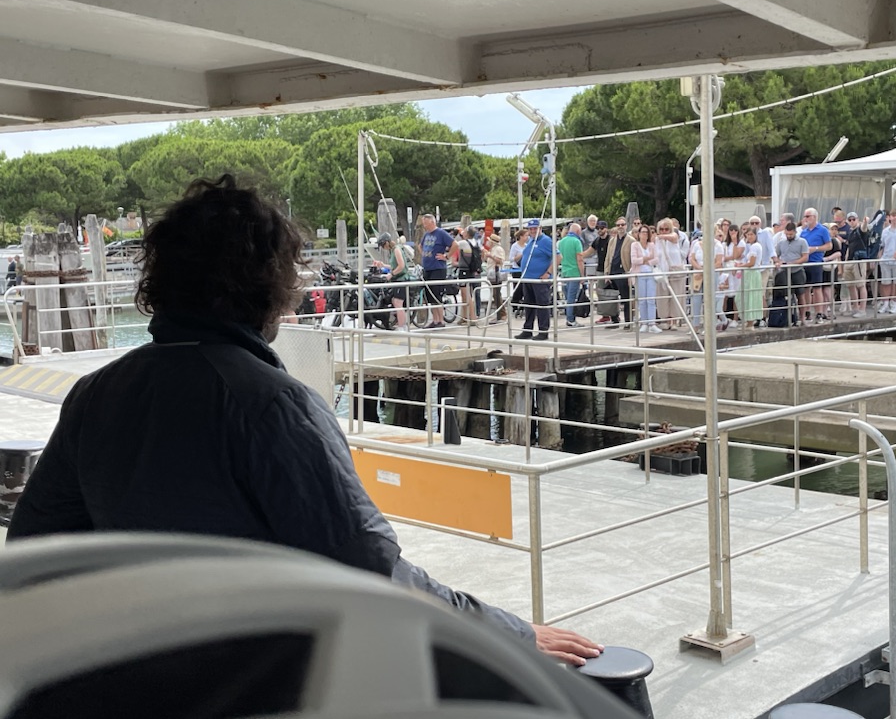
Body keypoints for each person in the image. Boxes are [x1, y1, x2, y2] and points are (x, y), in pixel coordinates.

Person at [7, 176, 602, 667]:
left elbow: (37, 550)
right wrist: (507, 632)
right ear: (270, 284)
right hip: (254, 683)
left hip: (137, 673)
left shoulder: (95, 394)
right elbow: (369, 568)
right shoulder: (274, 406)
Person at [515, 219, 554, 342]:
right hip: (528, 279)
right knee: (528, 305)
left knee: (542, 305)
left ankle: (543, 331)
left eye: (535, 228)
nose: (533, 231)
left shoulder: (546, 241)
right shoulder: (531, 240)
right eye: (531, 229)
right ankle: (528, 329)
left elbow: (558, 256)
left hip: (539, 280)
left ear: (540, 229)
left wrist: (548, 273)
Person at [418, 214, 457, 329]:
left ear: (432, 222)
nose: (425, 226)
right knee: (429, 295)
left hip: (438, 268)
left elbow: (455, 244)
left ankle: (440, 320)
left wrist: (447, 256)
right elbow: (420, 246)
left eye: (426, 223)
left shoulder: (441, 233)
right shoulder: (426, 235)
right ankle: (435, 320)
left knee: (436, 294)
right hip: (428, 268)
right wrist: (424, 254)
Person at [603, 217, 634, 330]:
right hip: (612, 272)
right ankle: (614, 320)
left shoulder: (631, 241)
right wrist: (607, 273)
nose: (620, 227)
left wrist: (630, 274)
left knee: (626, 299)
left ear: (626, 226)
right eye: (618, 225)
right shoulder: (612, 240)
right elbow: (608, 257)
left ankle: (628, 322)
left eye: (622, 225)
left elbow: (632, 259)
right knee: (612, 298)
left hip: (624, 272)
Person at [630, 224, 661, 334]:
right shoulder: (634, 245)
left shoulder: (652, 245)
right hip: (640, 274)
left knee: (651, 299)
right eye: (642, 232)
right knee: (642, 300)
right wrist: (645, 258)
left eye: (646, 232)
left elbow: (656, 259)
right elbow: (634, 260)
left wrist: (647, 261)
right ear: (639, 234)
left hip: (650, 274)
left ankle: (652, 323)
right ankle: (644, 323)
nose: (644, 234)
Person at [378, 232, 409, 331]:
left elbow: (401, 266)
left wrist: (391, 274)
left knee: (398, 302)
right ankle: (402, 325)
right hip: (397, 279)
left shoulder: (396, 250)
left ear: (387, 243)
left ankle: (402, 326)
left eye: (383, 245)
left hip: (401, 279)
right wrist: (383, 265)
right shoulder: (392, 251)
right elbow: (394, 266)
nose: (383, 247)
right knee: (395, 302)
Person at [557, 222, 585, 328]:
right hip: (574, 273)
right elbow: (580, 259)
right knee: (572, 298)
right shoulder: (577, 241)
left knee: (567, 297)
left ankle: (569, 318)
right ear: (578, 231)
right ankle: (571, 320)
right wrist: (582, 275)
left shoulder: (561, 242)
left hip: (564, 273)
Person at [456, 226, 481, 324]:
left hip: (464, 270)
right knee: (466, 294)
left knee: (466, 294)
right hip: (472, 270)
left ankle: (472, 317)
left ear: (466, 233)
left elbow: (452, 245)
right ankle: (465, 316)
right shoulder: (476, 243)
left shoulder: (463, 243)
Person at [484, 233, 506, 322]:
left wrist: (491, 256)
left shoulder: (498, 249)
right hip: (492, 273)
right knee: (495, 294)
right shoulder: (492, 249)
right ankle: (499, 314)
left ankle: (502, 314)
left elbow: (500, 261)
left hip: (496, 274)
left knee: (496, 293)